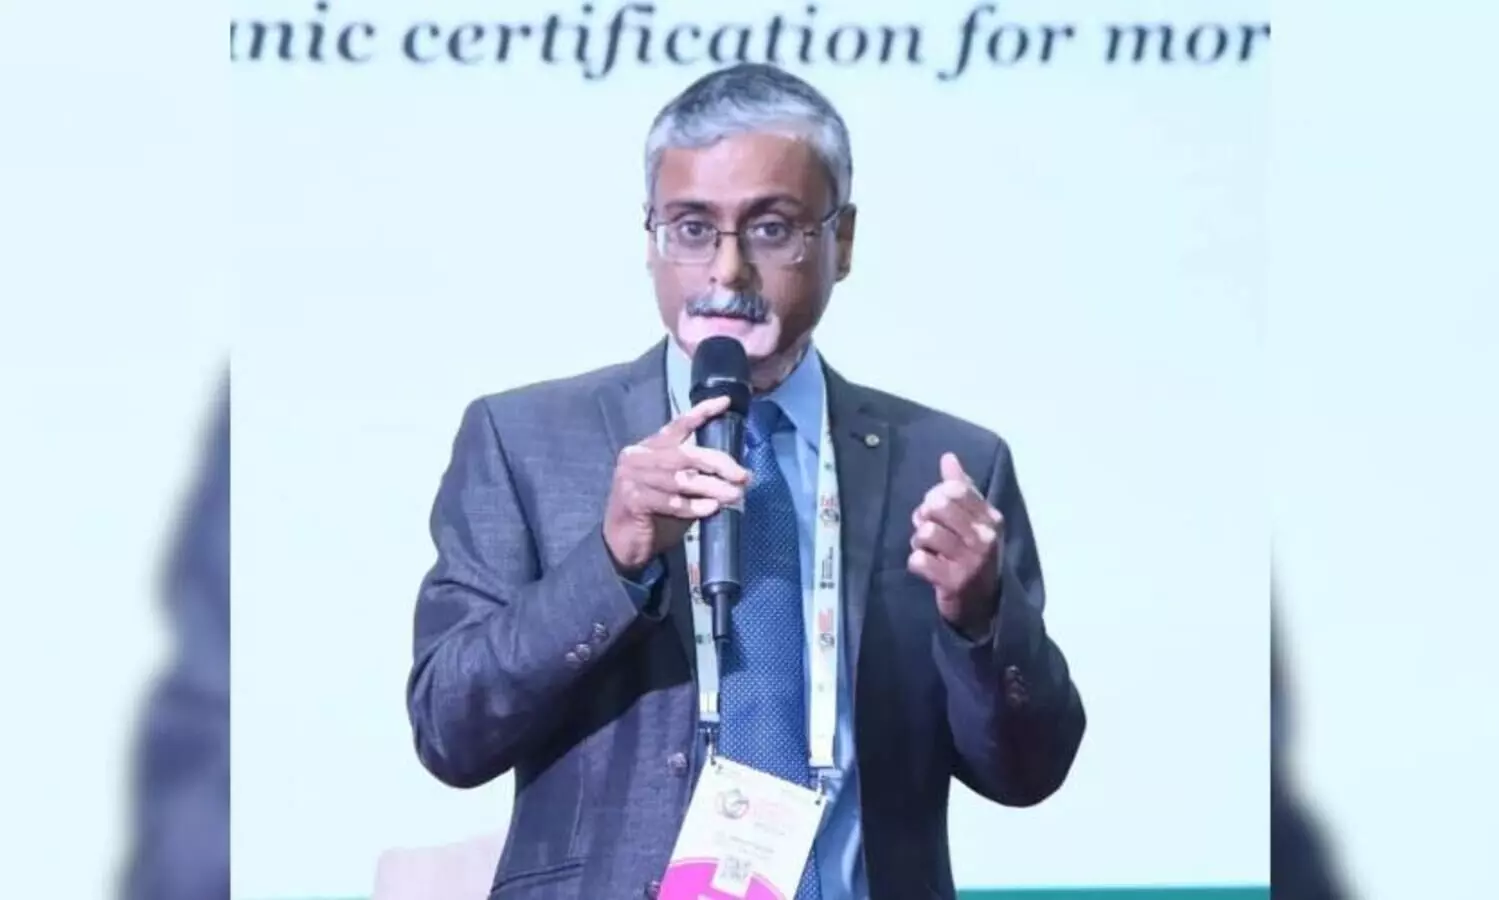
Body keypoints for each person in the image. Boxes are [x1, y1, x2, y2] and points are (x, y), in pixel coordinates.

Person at [406, 63, 1085, 900]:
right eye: (692, 229)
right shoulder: (524, 440)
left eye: (771, 228)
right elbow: (449, 732)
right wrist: (611, 561)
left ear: (842, 241)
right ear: (650, 238)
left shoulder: (946, 465)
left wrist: (981, 619)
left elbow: (1028, 770)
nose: (726, 271)